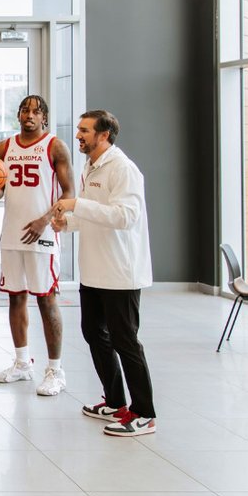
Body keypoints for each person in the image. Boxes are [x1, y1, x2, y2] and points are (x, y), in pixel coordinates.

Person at [50, 109, 156, 437]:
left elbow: (126, 216)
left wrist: (76, 206)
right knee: (94, 334)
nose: (78, 135)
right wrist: (67, 223)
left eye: (85, 130)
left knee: (126, 341)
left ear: (103, 135)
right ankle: (115, 401)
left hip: (120, 272)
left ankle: (144, 414)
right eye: (79, 129)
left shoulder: (122, 168)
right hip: (93, 271)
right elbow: (97, 215)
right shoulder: (91, 166)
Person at [0, 95, 75, 396]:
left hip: (43, 235)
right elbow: (0, 192)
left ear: (44, 118)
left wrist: (44, 220)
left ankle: (56, 371)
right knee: (15, 298)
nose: (29, 115)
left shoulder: (54, 146)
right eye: (25, 110)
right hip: (11, 233)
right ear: (18, 115)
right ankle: (22, 364)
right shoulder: (4, 148)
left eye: (36, 111)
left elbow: (69, 192)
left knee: (47, 300)